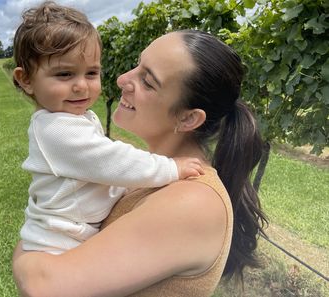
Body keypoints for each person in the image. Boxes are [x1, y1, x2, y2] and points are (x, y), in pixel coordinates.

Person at [12, 26, 268, 296]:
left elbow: (43, 285)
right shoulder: (147, 173)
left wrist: (25, 252)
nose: (122, 79)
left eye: (148, 81)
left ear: (188, 118)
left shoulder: (192, 201)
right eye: (136, 65)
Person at [12, 1, 203, 255]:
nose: (81, 85)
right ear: (26, 80)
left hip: (74, 232)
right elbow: (111, 160)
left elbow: (99, 164)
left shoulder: (73, 118)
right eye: (64, 75)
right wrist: (169, 168)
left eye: (91, 73)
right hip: (58, 241)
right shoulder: (55, 130)